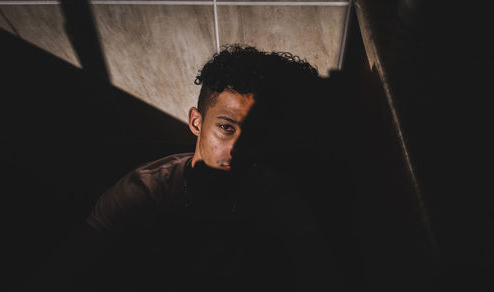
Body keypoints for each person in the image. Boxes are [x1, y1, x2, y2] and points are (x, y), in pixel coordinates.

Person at [27, 45, 347, 292]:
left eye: (255, 135)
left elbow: (323, 273)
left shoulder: (277, 197)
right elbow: (66, 268)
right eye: (226, 127)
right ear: (197, 122)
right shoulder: (144, 191)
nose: (237, 148)